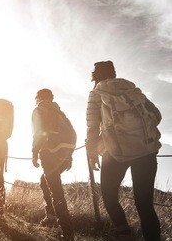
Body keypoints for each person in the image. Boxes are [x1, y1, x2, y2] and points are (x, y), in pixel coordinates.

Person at [86, 61, 161, 241]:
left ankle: (124, 233)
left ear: (95, 76)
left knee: (109, 196)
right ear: (113, 73)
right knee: (145, 205)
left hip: (114, 154)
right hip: (146, 150)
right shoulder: (132, 89)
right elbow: (156, 115)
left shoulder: (96, 93)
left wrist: (92, 153)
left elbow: (92, 127)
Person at [31, 89, 76, 241]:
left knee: (56, 191)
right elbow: (71, 134)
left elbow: (38, 133)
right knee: (45, 182)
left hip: (49, 153)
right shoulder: (59, 112)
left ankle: (67, 231)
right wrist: (69, 157)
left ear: (38, 98)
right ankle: (50, 216)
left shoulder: (39, 109)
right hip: (64, 153)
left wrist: (34, 152)